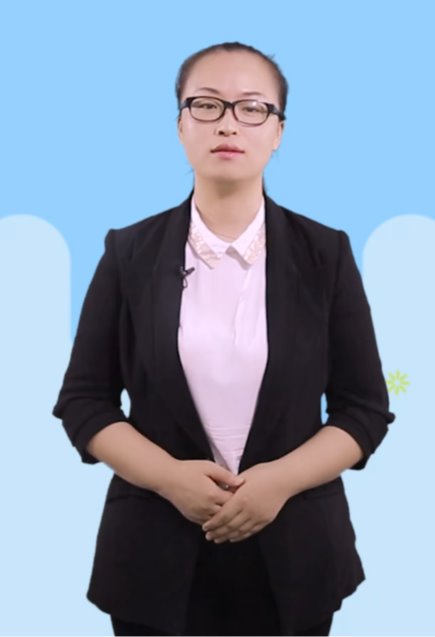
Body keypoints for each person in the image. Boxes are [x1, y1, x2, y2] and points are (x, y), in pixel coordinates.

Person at [52, 41, 395, 636]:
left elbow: (363, 409)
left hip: (297, 555)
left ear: (278, 131)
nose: (229, 124)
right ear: (181, 126)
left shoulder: (326, 255)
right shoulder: (128, 253)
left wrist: (279, 482)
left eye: (252, 108)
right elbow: (84, 401)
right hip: (152, 558)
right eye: (207, 105)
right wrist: (169, 478)